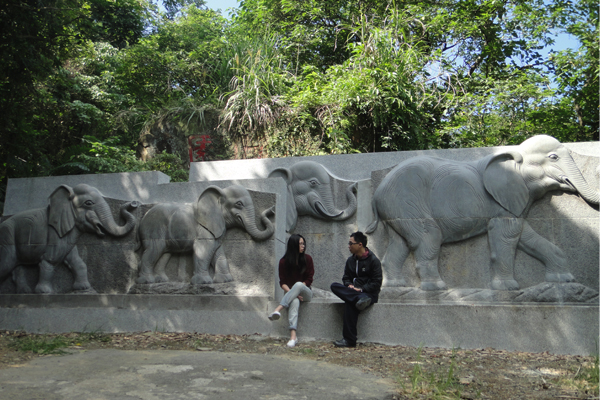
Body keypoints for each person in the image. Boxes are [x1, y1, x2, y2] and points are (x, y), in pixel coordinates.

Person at [330, 231, 382, 348]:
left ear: (360, 245)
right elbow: (346, 277)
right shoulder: (350, 261)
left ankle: (349, 341)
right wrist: (349, 285)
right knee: (334, 286)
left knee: (350, 303)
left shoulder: (374, 261)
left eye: (351, 243)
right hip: (354, 293)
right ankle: (358, 298)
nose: (348, 246)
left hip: (368, 295)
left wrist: (362, 289)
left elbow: (377, 282)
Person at [268, 234, 314, 348]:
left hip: (305, 292)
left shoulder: (308, 259)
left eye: (304, 243)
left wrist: (296, 291)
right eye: (300, 244)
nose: (303, 246)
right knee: (294, 302)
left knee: (298, 284)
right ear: (293, 245)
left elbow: (309, 279)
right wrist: (293, 293)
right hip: (290, 293)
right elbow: (282, 282)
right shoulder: (283, 262)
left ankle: (278, 309)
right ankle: (293, 337)